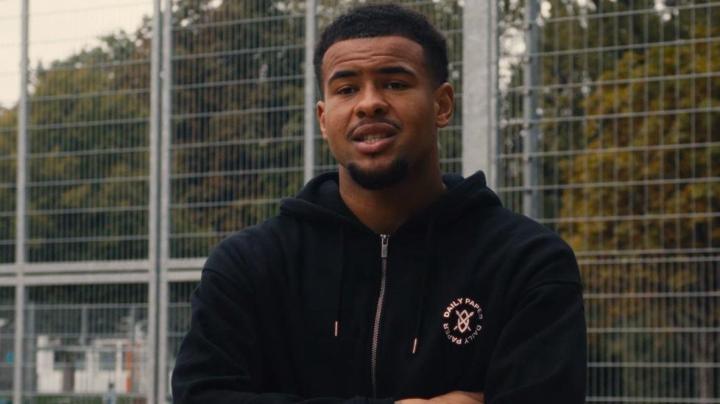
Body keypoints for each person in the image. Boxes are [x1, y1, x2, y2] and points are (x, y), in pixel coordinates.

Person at [171, 4, 586, 404]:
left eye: (395, 84)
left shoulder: (526, 263)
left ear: (442, 105)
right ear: (323, 118)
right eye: (347, 89)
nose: (369, 103)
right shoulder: (248, 266)